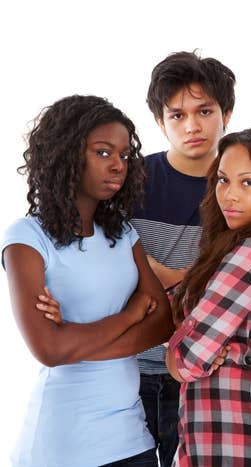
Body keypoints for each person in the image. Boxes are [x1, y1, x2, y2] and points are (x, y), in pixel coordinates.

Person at [2, 95, 174, 466]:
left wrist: (75, 342)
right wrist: (129, 316)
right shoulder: (27, 239)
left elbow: (163, 322)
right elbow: (48, 349)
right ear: (66, 155)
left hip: (131, 438)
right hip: (63, 444)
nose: (117, 166)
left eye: (125, 155)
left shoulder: (123, 235)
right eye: (103, 152)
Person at [166, 126, 251, 466]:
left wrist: (176, 348)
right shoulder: (239, 243)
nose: (229, 195)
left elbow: (187, 360)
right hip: (227, 428)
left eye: (247, 182)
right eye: (223, 180)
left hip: (245, 433)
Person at [133, 50, 236, 467]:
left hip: (202, 371)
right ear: (160, 122)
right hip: (129, 371)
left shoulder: (241, 187)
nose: (192, 125)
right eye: (177, 115)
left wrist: (162, 275)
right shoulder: (132, 181)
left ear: (226, 113)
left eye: (204, 110)